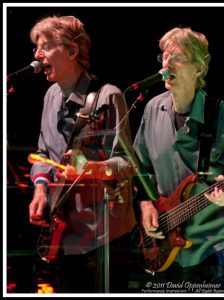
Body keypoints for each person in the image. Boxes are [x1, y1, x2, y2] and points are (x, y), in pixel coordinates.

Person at [28, 15, 139, 293]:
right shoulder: (50, 96)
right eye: (35, 49)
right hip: (63, 237)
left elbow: (128, 164)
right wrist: (40, 190)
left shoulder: (108, 96)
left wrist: (91, 170)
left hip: (103, 238)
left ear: (71, 51)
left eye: (45, 46)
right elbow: (43, 153)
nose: (37, 55)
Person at [133, 27, 224, 292]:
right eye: (163, 57)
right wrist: (145, 205)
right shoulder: (152, 108)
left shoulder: (223, 116)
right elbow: (140, 169)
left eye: (175, 58)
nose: (166, 64)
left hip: (214, 251)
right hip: (163, 247)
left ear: (198, 69)